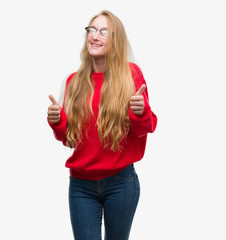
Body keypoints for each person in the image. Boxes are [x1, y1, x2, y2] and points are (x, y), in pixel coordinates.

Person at [47, 10, 157, 240]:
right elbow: (69, 138)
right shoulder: (73, 82)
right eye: (91, 30)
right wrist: (57, 122)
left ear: (115, 40)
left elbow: (145, 128)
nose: (94, 36)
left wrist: (140, 113)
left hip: (121, 183)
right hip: (80, 186)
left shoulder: (130, 75)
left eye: (103, 31)